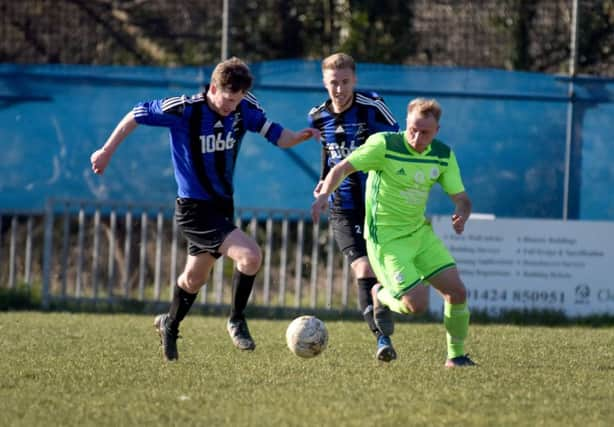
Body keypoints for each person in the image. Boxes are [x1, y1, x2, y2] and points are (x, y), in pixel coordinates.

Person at [91, 57, 319, 362]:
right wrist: (106, 151)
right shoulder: (184, 109)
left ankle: (169, 325)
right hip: (193, 209)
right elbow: (135, 114)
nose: (231, 106)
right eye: (227, 98)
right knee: (250, 256)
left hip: (222, 207)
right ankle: (236, 319)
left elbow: (278, 136)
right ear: (213, 87)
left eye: (236, 100)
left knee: (192, 280)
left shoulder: (243, 109)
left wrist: (301, 136)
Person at [312, 98, 476, 368]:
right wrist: (324, 195)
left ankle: (455, 357)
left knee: (457, 292)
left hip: (419, 234)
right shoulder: (385, 145)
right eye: (412, 128)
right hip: (386, 238)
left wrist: (462, 212)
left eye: (424, 132)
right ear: (406, 122)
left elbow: (462, 198)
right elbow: (343, 167)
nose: (416, 136)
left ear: (437, 131)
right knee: (417, 304)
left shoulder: (443, 154)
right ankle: (380, 295)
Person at [308, 53, 400, 362]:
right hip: (342, 208)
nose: (339, 89)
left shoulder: (373, 107)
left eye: (345, 82)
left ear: (354, 80)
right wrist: (323, 185)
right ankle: (381, 338)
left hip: (378, 205)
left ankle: (381, 299)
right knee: (362, 267)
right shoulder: (318, 116)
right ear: (324, 83)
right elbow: (328, 154)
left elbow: (398, 145)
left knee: (387, 275)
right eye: (333, 83)